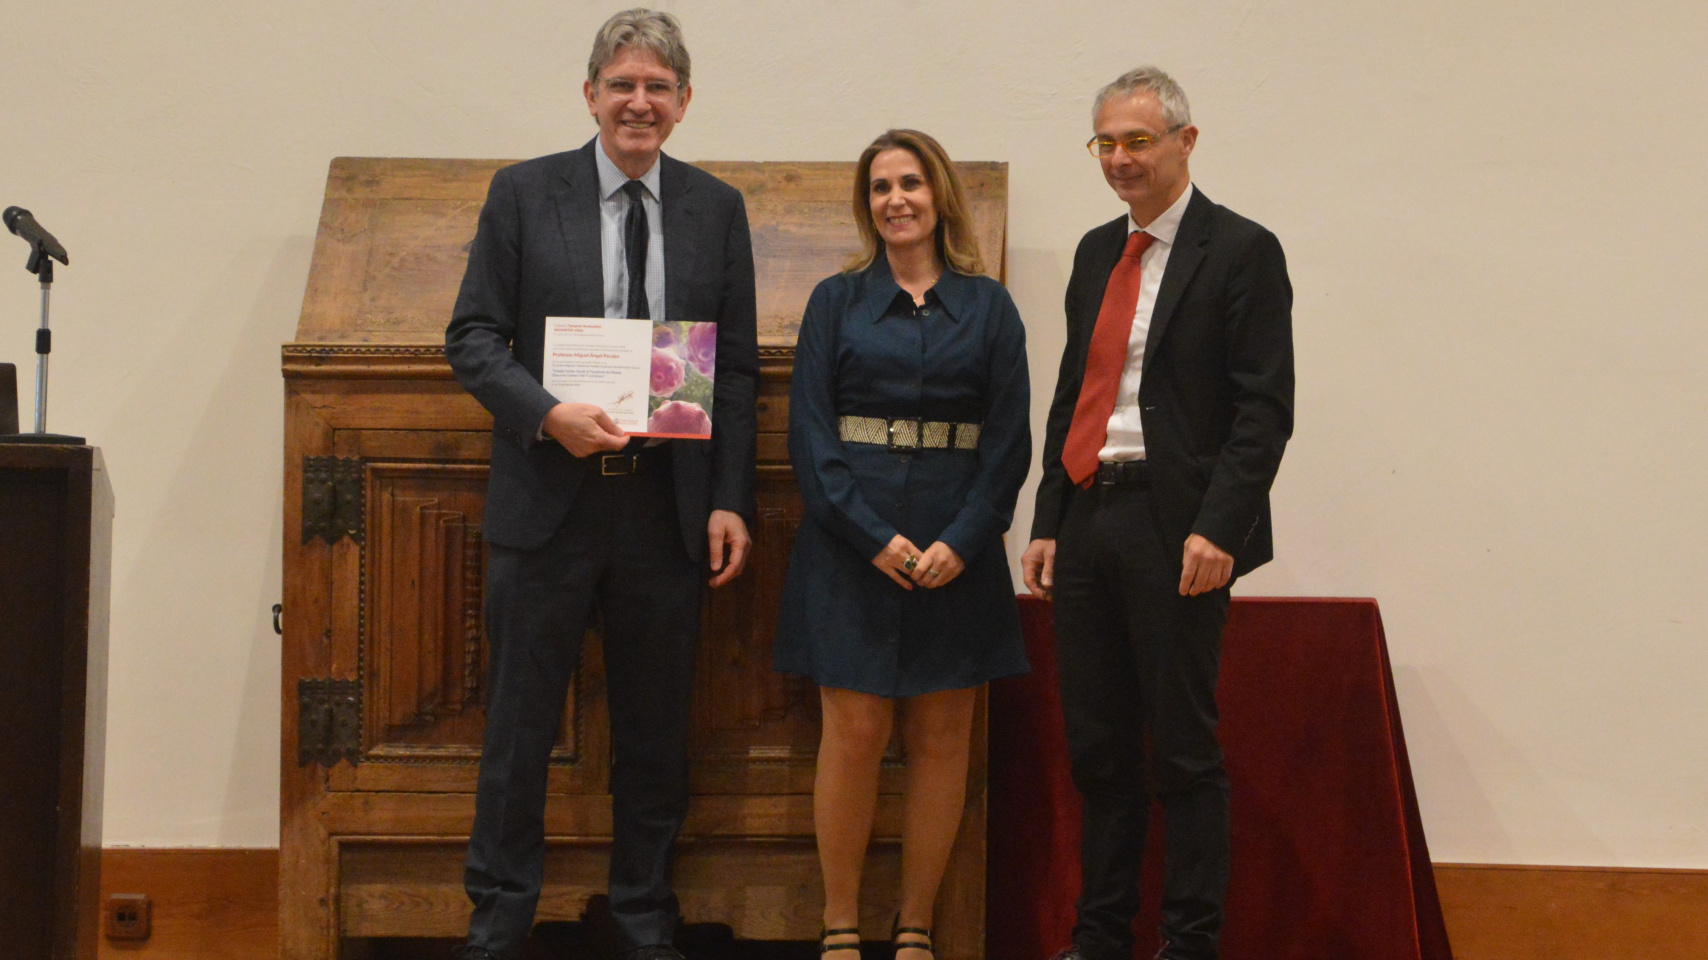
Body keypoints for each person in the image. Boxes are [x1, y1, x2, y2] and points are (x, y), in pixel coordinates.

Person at [443, 9, 758, 960]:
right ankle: (498, 920)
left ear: (684, 103)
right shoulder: (524, 194)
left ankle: (641, 914)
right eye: (622, 84)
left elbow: (735, 370)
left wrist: (729, 496)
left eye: (658, 87)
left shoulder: (716, 208)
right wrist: (547, 413)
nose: (639, 102)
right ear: (590, 95)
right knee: (518, 731)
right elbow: (471, 339)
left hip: (665, 506)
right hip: (549, 502)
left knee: (656, 733)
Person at [1021, 68, 1294, 960]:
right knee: (1098, 747)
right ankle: (1099, 937)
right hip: (1091, 515)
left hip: (1180, 528)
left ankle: (1188, 943)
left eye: (1139, 140)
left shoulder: (1243, 250)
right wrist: (1048, 518)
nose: (1120, 158)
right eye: (1106, 142)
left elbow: (1264, 408)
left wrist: (1220, 527)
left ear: (1186, 141)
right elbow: (1075, 393)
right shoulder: (1097, 250)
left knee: (1180, 750)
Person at [773, 129, 1032, 960]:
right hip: (851, 549)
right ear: (867, 204)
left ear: (939, 194)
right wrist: (871, 534)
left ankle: (915, 924)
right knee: (851, 734)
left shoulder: (989, 307)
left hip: (959, 548)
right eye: (880, 187)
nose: (896, 199)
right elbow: (812, 438)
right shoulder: (835, 302)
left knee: (942, 738)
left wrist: (963, 539)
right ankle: (841, 925)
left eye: (911, 183)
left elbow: (1009, 441)